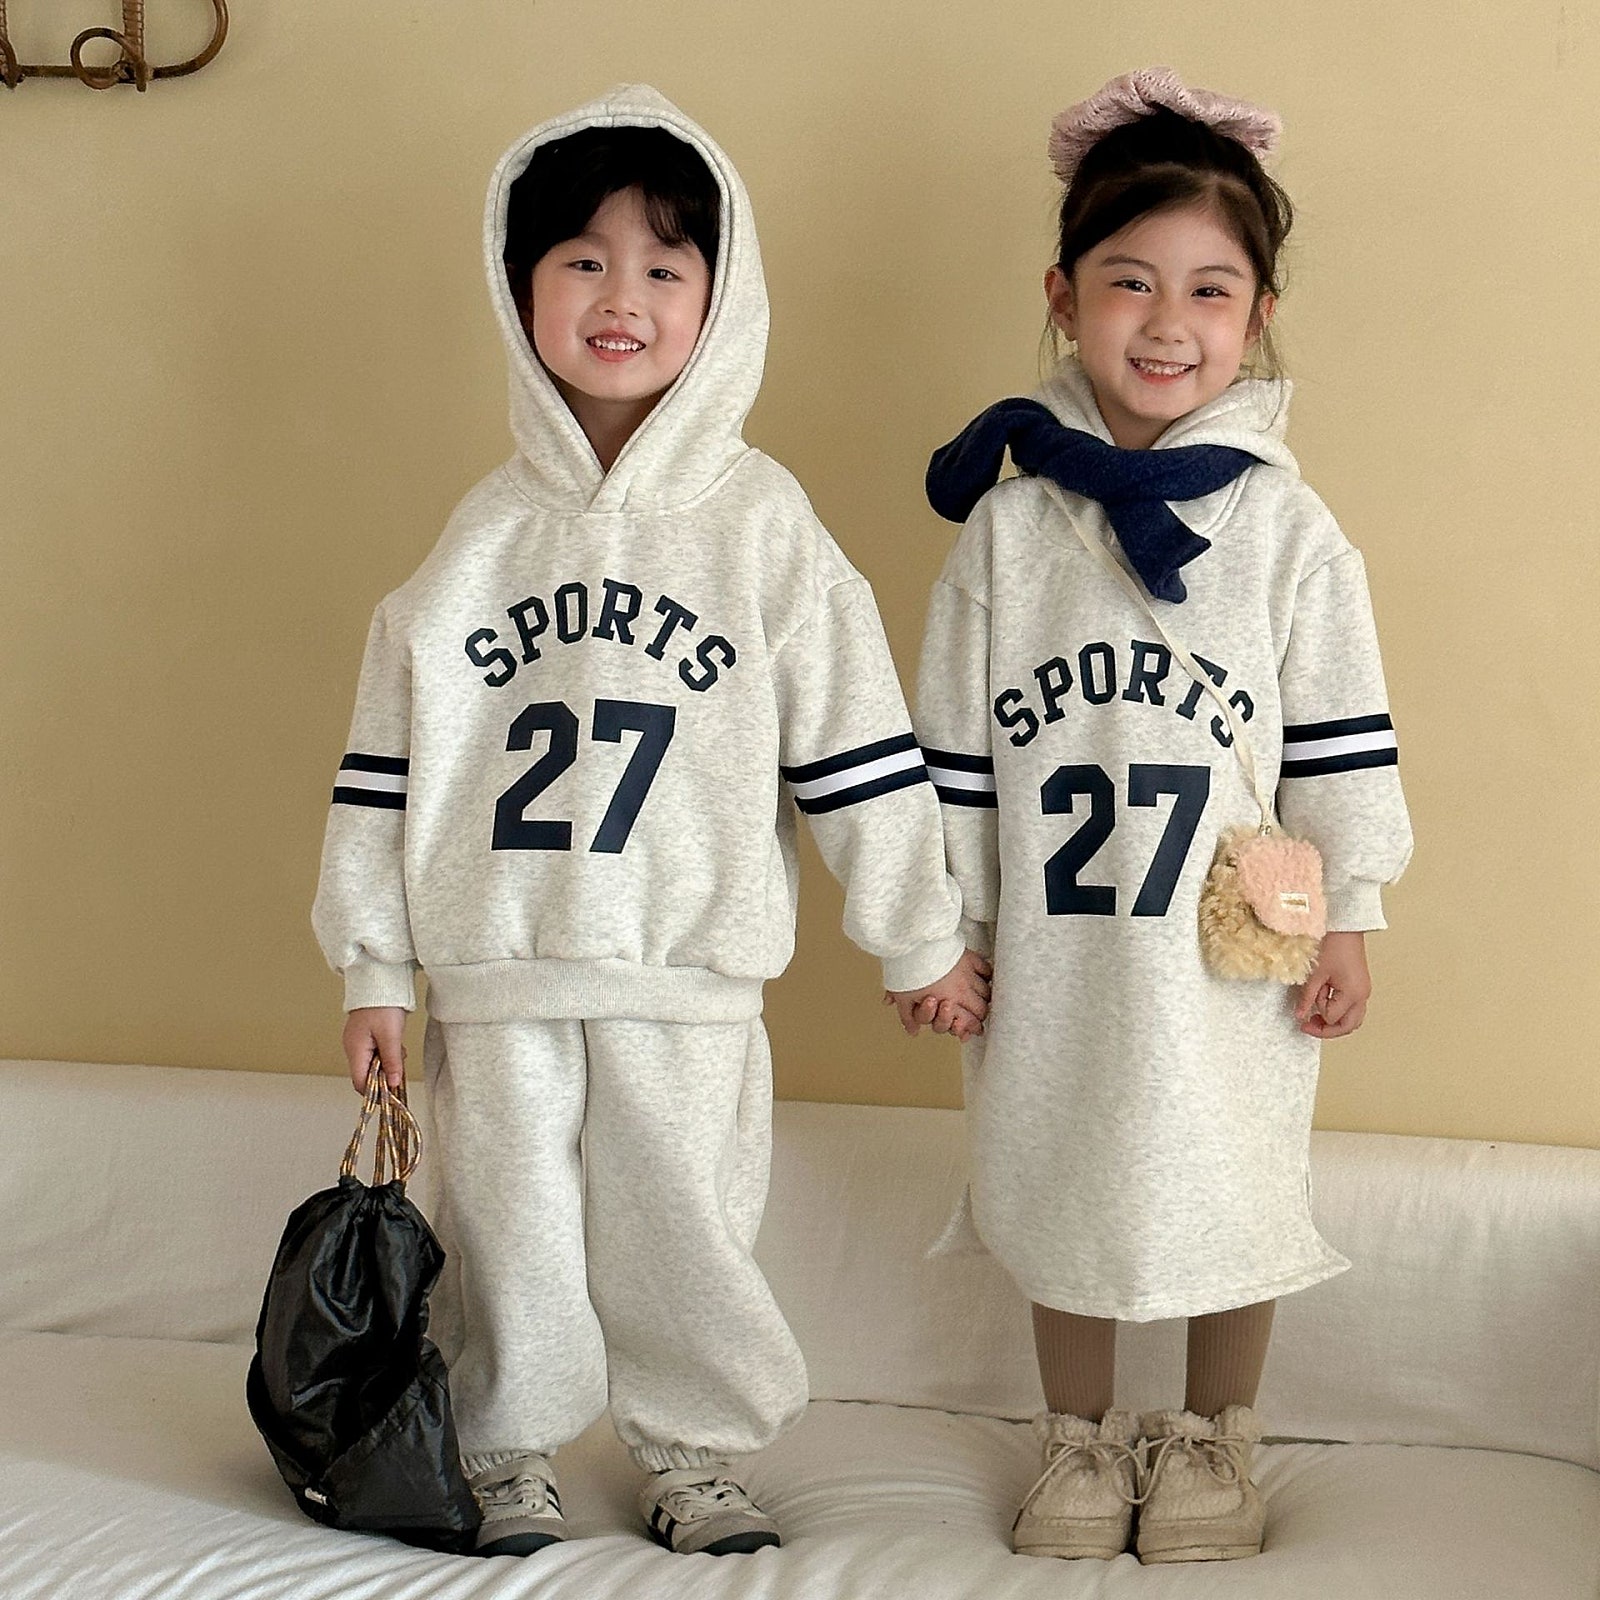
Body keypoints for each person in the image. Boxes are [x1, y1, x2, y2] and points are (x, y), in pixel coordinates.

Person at [312, 83, 988, 1561]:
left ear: (721, 300)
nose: (622, 297)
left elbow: (857, 750)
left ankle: (695, 1453)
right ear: (520, 289)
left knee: (686, 1230)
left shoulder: (764, 527)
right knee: (507, 1231)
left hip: (688, 976)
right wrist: (375, 965)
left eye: (665, 267)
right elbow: (387, 765)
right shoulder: (482, 536)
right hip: (497, 975)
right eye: (583, 261)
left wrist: (920, 935)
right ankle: (504, 1451)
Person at [912, 68, 1412, 1564]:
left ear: (1258, 316)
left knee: (1233, 1168)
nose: (1167, 322)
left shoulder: (1289, 530)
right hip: (1056, 943)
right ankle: (1076, 1439)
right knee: (1059, 1160)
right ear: (1063, 298)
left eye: (1210, 289)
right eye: (1130, 281)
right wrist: (945, 927)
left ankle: (1213, 1436)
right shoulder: (1009, 532)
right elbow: (949, 754)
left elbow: (1339, 741)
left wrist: (1354, 913)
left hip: (1233, 943)